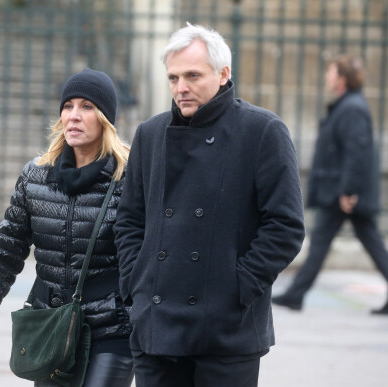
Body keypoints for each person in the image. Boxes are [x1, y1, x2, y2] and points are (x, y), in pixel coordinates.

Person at [113, 23, 305, 387]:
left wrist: (238, 287)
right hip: (156, 325)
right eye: (173, 78)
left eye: (192, 76)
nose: (180, 88)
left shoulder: (262, 130)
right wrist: (135, 284)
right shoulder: (150, 134)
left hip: (227, 331)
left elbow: (286, 226)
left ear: (223, 74)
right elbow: (129, 220)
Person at [0, 68, 135, 387]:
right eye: (68, 106)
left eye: (87, 107)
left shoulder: (129, 179)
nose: (74, 116)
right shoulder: (35, 178)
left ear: (105, 118)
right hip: (52, 329)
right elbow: (3, 255)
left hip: (111, 331)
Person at [272, 54, 388, 315]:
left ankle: (296, 294)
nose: (327, 76)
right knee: (357, 239)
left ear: (342, 79)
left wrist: (348, 191)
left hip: (342, 192)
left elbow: (357, 153)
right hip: (340, 189)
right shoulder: (347, 105)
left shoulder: (352, 108)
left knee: (329, 240)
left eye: (331, 72)